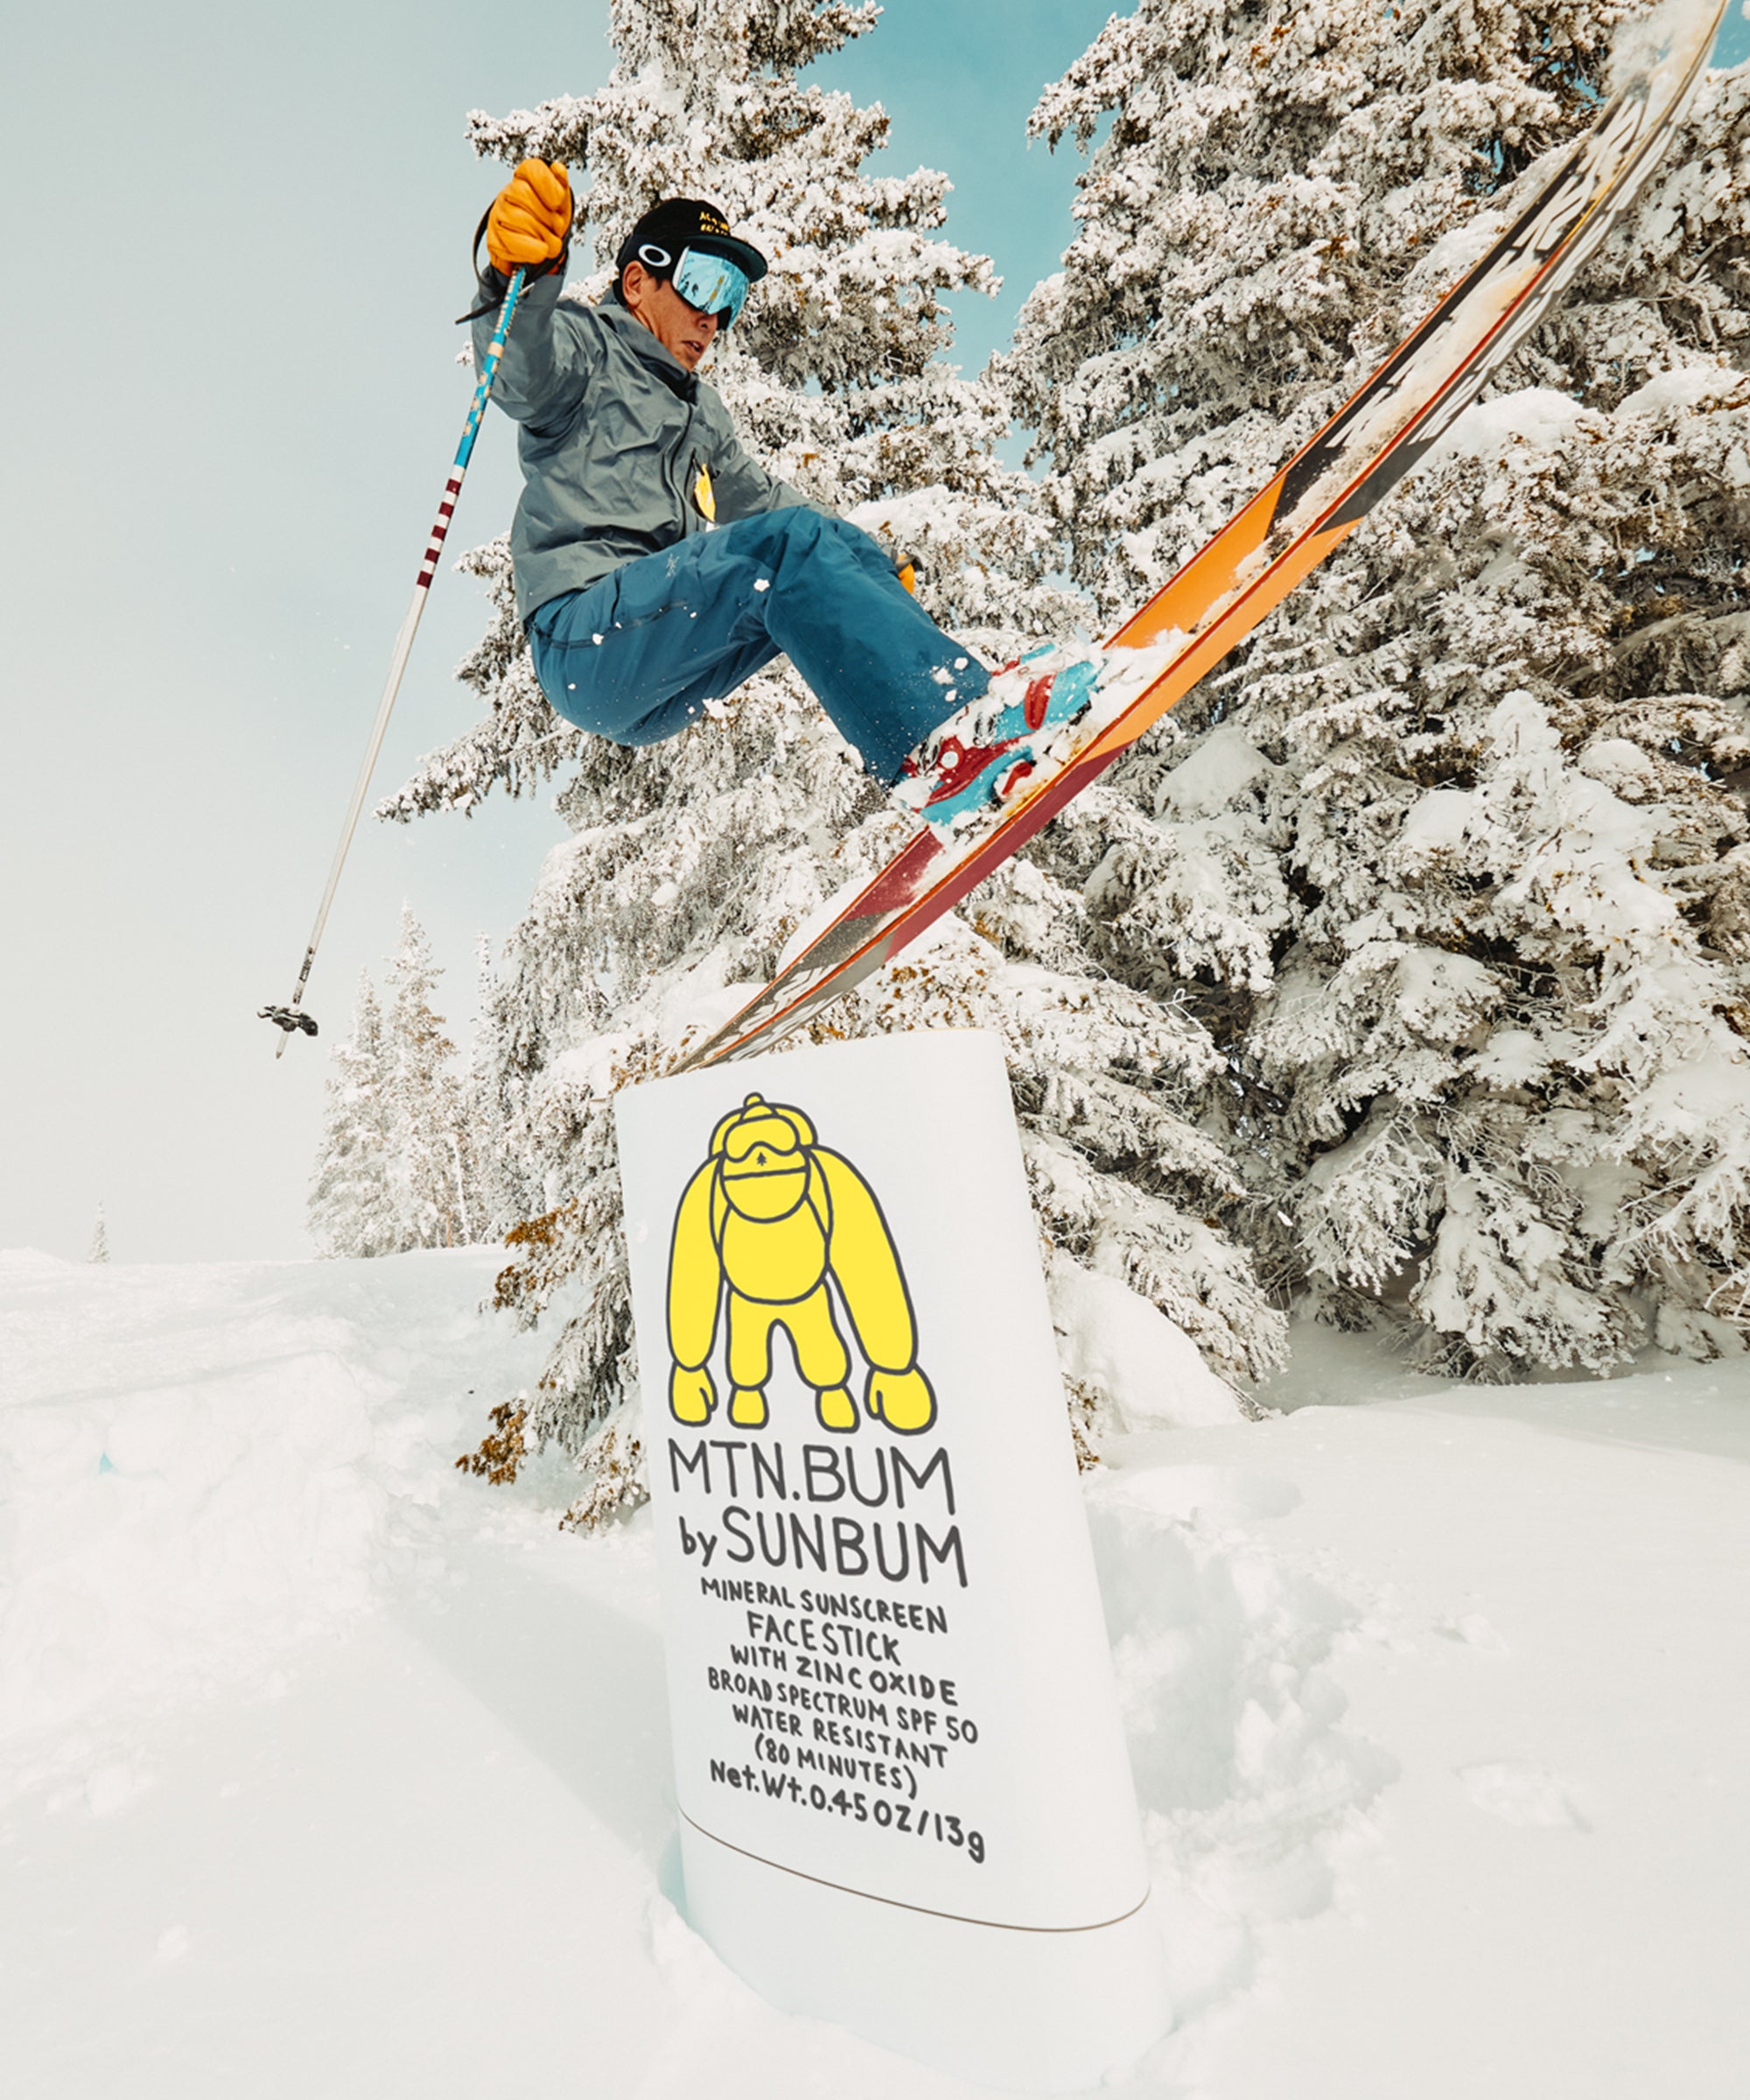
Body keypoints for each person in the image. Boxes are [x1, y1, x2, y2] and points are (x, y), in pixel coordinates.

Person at [471, 159, 1111, 843]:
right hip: (585, 636)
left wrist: (863, 567)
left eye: (731, 298)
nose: (712, 317)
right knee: (785, 552)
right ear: (637, 282)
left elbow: (769, 505)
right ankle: (944, 739)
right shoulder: (585, 348)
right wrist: (519, 276)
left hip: (657, 673)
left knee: (805, 548)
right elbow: (516, 370)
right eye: (700, 284)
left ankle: (956, 735)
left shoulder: (701, 414)